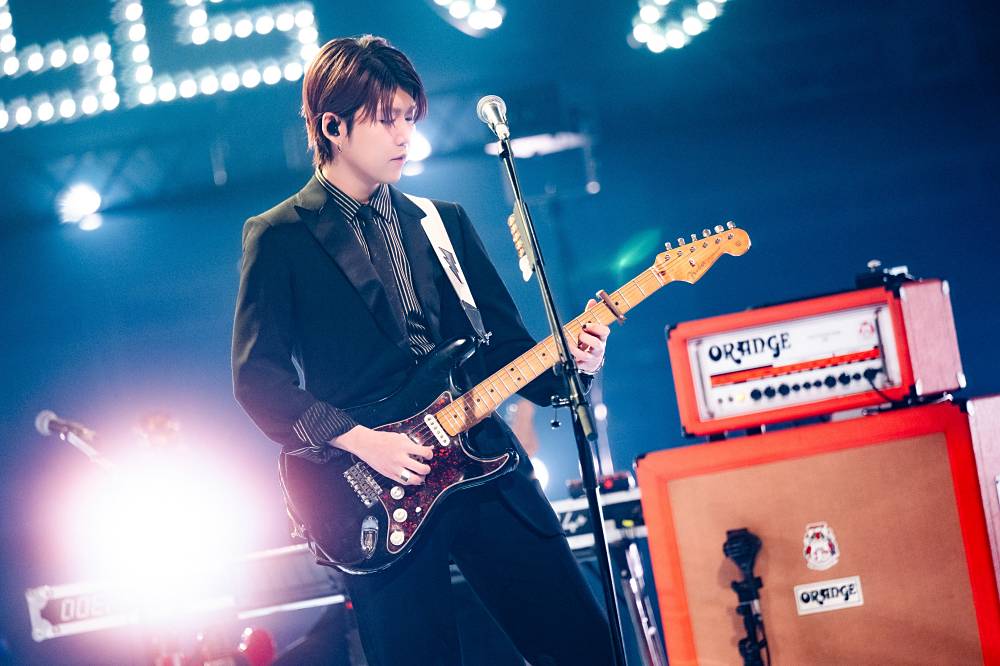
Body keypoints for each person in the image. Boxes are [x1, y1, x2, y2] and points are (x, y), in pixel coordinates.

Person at [232, 35, 613, 665]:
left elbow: (504, 350)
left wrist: (575, 363)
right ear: (333, 127)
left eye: (409, 117)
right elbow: (258, 380)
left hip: (480, 457)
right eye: (387, 120)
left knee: (582, 645)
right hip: (374, 487)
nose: (404, 135)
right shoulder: (280, 236)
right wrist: (363, 440)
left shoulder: (443, 222)